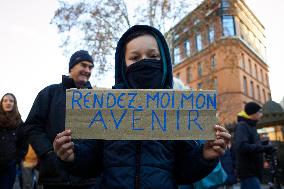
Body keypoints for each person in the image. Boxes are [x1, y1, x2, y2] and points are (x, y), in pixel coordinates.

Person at [53, 25, 231, 188]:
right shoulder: (106, 107)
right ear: (123, 64)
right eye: (135, 57)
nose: (144, 62)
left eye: (153, 56)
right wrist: (72, 157)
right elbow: (91, 164)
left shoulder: (178, 109)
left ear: (163, 61)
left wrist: (204, 156)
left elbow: (184, 172)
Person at [25, 50, 100, 189]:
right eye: (83, 65)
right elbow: (31, 127)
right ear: (72, 67)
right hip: (55, 178)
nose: (87, 70)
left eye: (90, 67)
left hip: (89, 180)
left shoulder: (97, 98)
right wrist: (49, 152)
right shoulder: (49, 93)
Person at [234, 102, 275, 189]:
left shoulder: (251, 125)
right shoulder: (242, 126)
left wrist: (264, 144)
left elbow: (252, 144)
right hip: (248, 172)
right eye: (259, 112)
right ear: (252, 113)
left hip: (254, 171)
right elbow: (242, 146)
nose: (261, 114)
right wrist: (264, 148)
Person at [0, 93, 28, 189]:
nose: (8, 103)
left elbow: (24, 145)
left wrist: (15, 160)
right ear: (1, 103)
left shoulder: (19, 123)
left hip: (10, 166)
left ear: (14, 104)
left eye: (11, 101)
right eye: (5, 100)